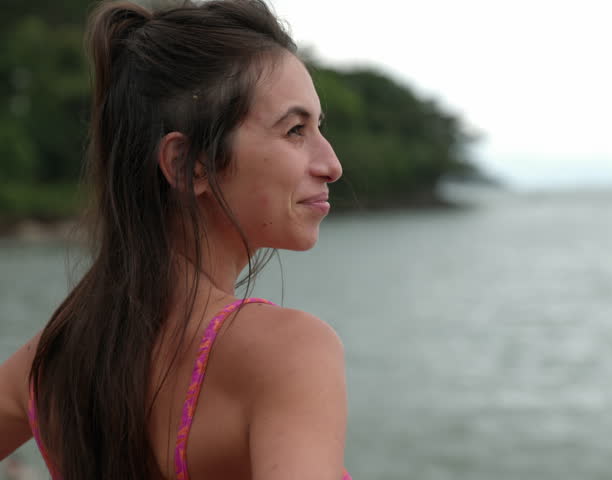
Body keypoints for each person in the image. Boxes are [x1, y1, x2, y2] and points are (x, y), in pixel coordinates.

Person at [0, 1, 350, 479]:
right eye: (294, 130)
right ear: (188, 165)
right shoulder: (289, 352)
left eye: (318, 128)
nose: (331, 163)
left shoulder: (53, 361)